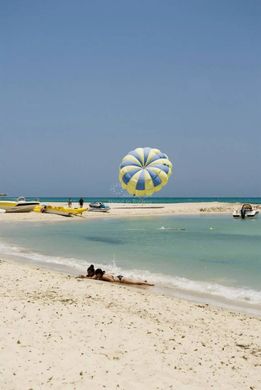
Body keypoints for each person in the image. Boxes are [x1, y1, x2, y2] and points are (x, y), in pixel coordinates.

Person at [77, 265, 154, 286]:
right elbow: (90, 277)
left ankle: (147, 283)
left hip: (120, 279)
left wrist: (100, 279)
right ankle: (143, 281)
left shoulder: (103, 276)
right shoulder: (98, 275)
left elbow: (112, 280)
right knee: (134, 282)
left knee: (134, 283)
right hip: (119, 277)